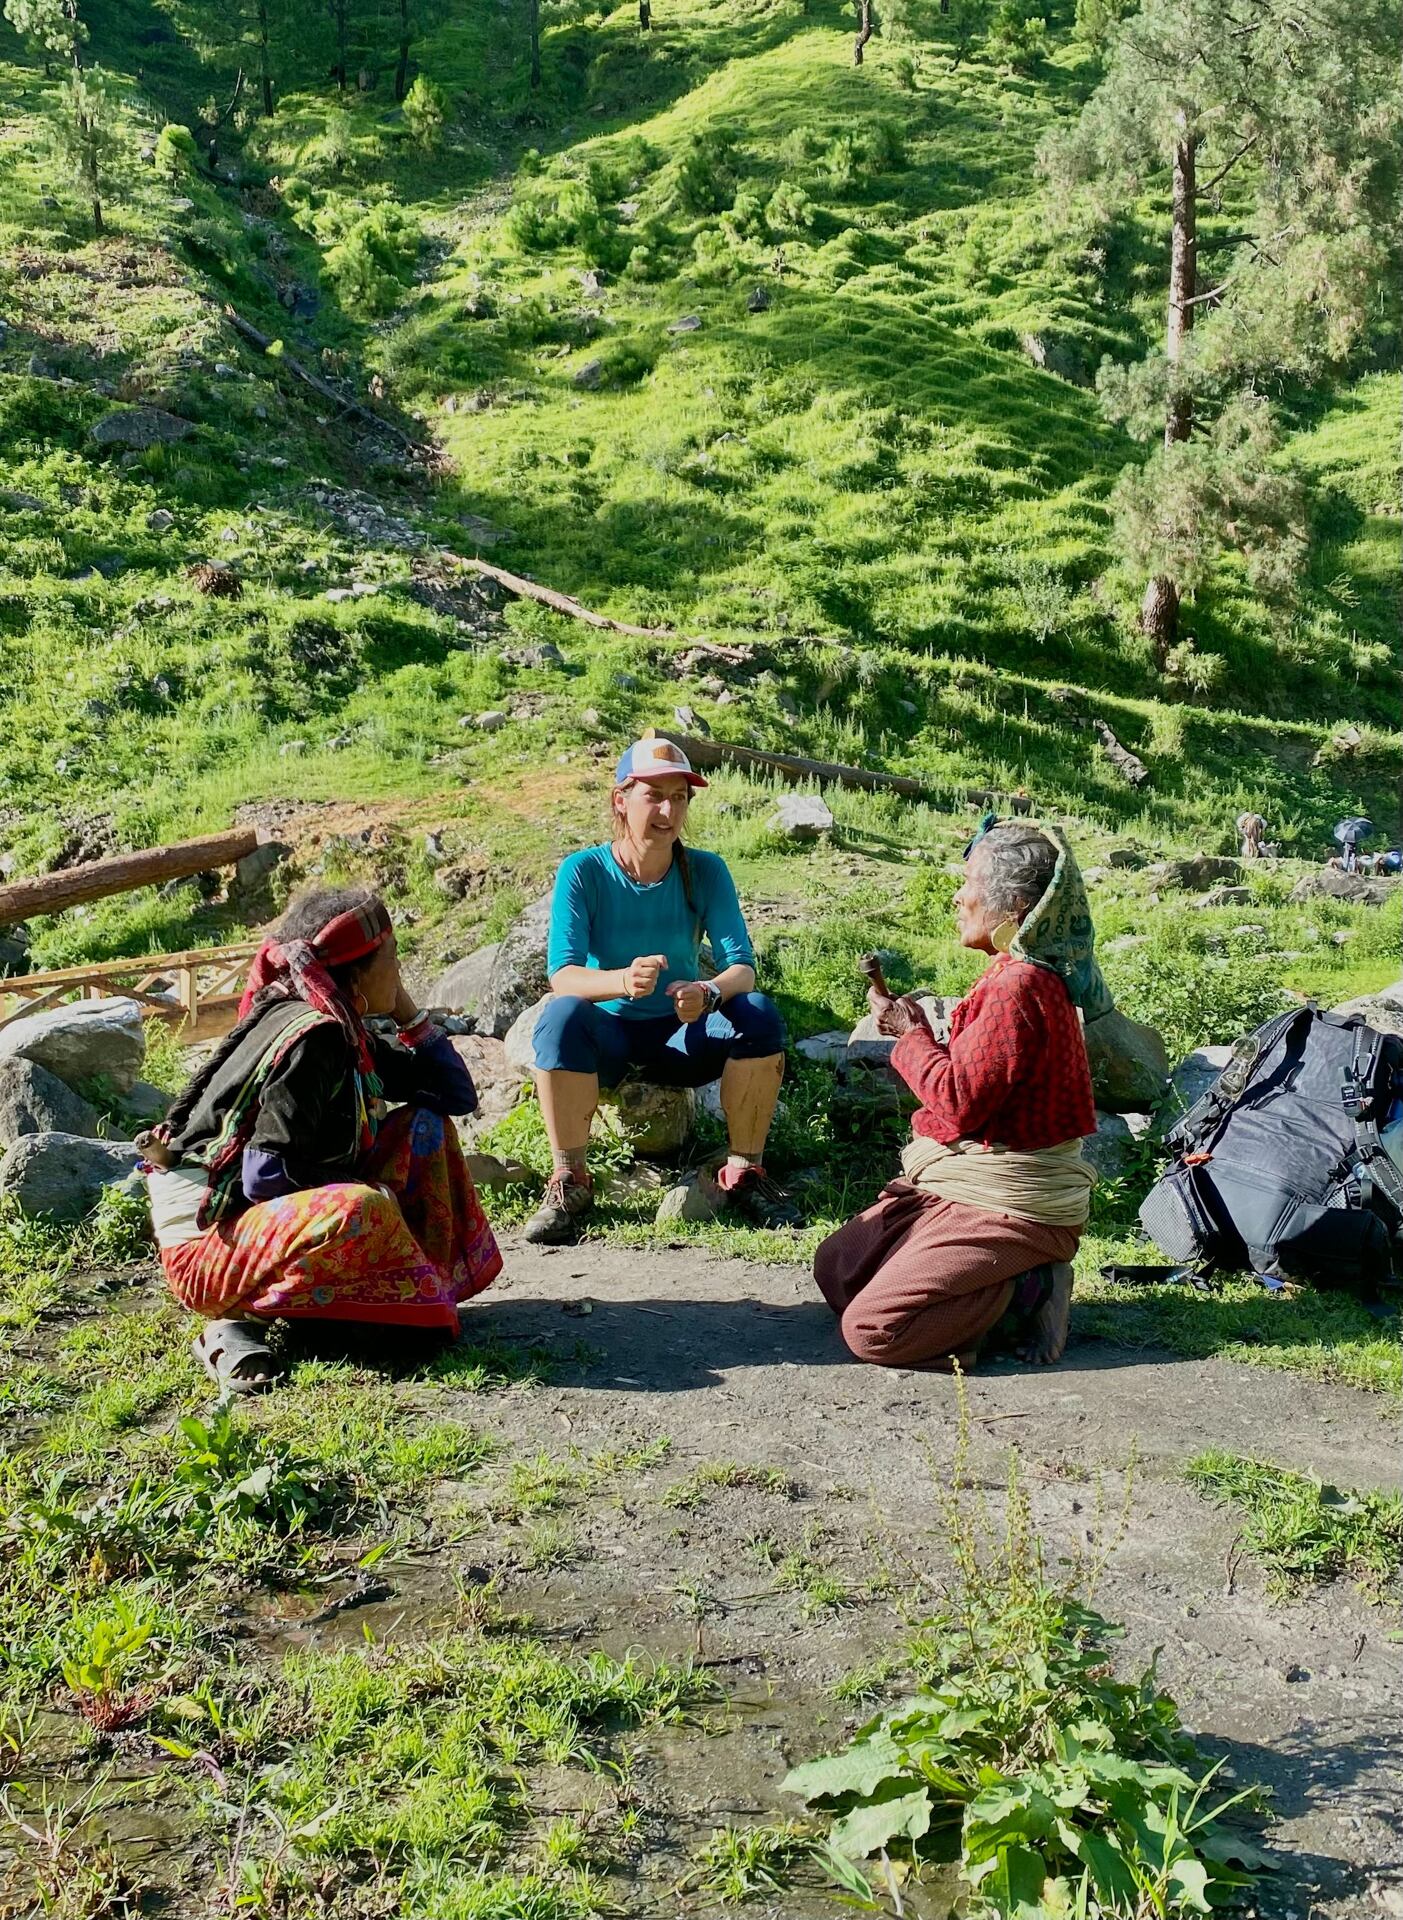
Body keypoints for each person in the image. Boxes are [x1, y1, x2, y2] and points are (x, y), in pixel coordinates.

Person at [143, 887, 501, 1393]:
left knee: (427, 1128)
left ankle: (345, 1312)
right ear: (356, 974)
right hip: (210, 1249)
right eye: (392, 958)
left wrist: (406, 1011)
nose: (399, 969)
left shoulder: (344, 1028)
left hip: (259, 1224)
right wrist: (367, 1193)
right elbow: (264, 1173)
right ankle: (238, 1319)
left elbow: (454, 1095)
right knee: (363, 1208)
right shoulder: (317, 1037)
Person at [813, 821, 1099, 1372]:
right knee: (838, 1267)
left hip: (1010, 1202)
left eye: (969, 883)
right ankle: (999, 1278)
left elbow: (960, 1102)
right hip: (971, 1182)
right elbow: (979, 1082)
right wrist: (916, 1029)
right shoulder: (1010, 974)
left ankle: (1029, 1289)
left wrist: (909, 1035)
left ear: (1015, 907)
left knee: (876, 1330)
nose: (958, 897)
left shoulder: (1019, 986)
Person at [524, 736, 796, 1243]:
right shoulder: (583, 871)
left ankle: (745, 1171)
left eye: (680, 797)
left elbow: (742, 969)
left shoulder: (706, 871)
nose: (669, 811)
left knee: (758, 1014)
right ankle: (570, 1179)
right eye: (654, 795)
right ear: (620, 800)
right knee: (560, 1017)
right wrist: (621, 981)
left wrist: (708, 993)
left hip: (682, 1037)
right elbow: (563, 974)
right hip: (609, 1038)